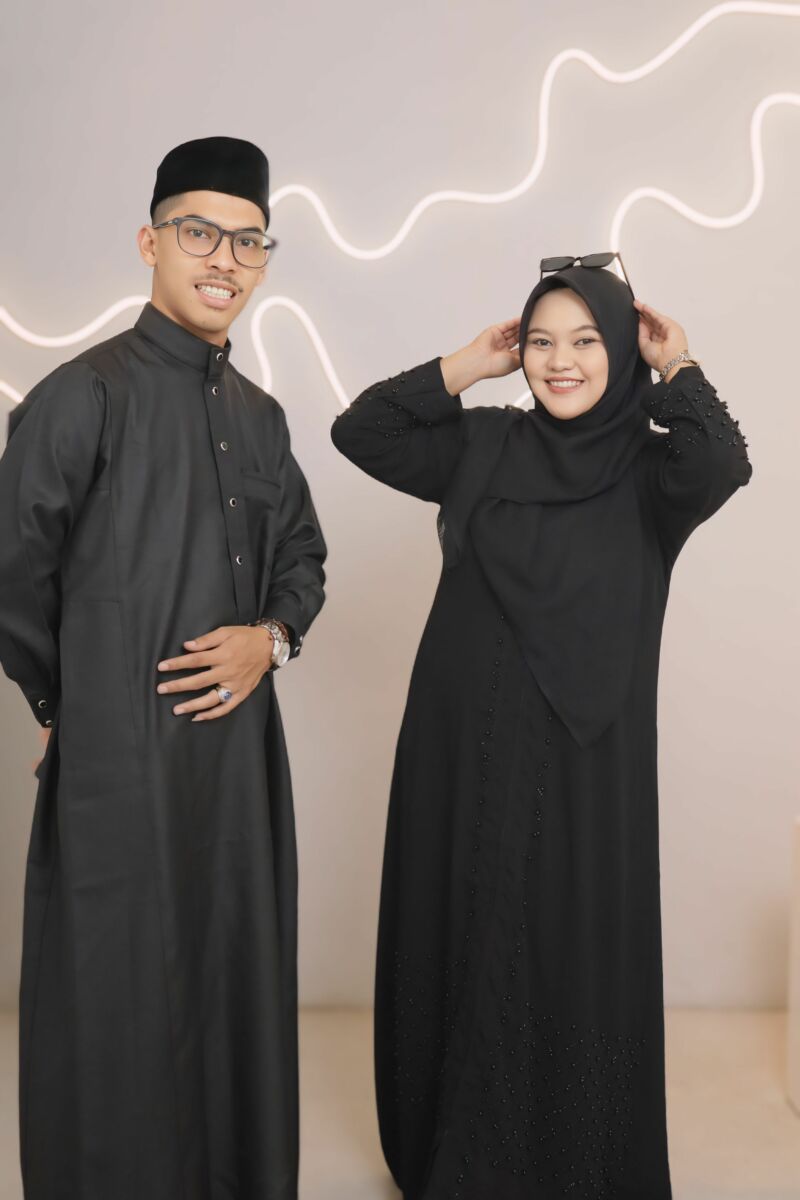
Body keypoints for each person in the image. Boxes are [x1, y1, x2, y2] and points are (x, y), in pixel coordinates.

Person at [330, 255, 751, 1200]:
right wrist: (466, 365)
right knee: (466, 933)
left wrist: (678, 364)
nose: (561, 362)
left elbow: (725, 462)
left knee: (564, 948)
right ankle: (458, 1150)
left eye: (588, 341)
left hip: (582, 760)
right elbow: (361, 430)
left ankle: (568, 1161)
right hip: (460, 748)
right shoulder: (483, 445)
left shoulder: (654, 471)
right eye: (543, 343)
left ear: (624, 350)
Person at [0, 135, 326, 1200]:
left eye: (249, 241)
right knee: (118, 1010)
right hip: (119, 776)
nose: (224, 259)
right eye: (199, 233)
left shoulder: (262, 419)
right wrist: (67, 699)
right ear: (150, 243)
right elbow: (10, 570)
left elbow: (302, 560)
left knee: (233, 994)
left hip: (236, 779)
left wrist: (269, 640)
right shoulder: (81, 397)